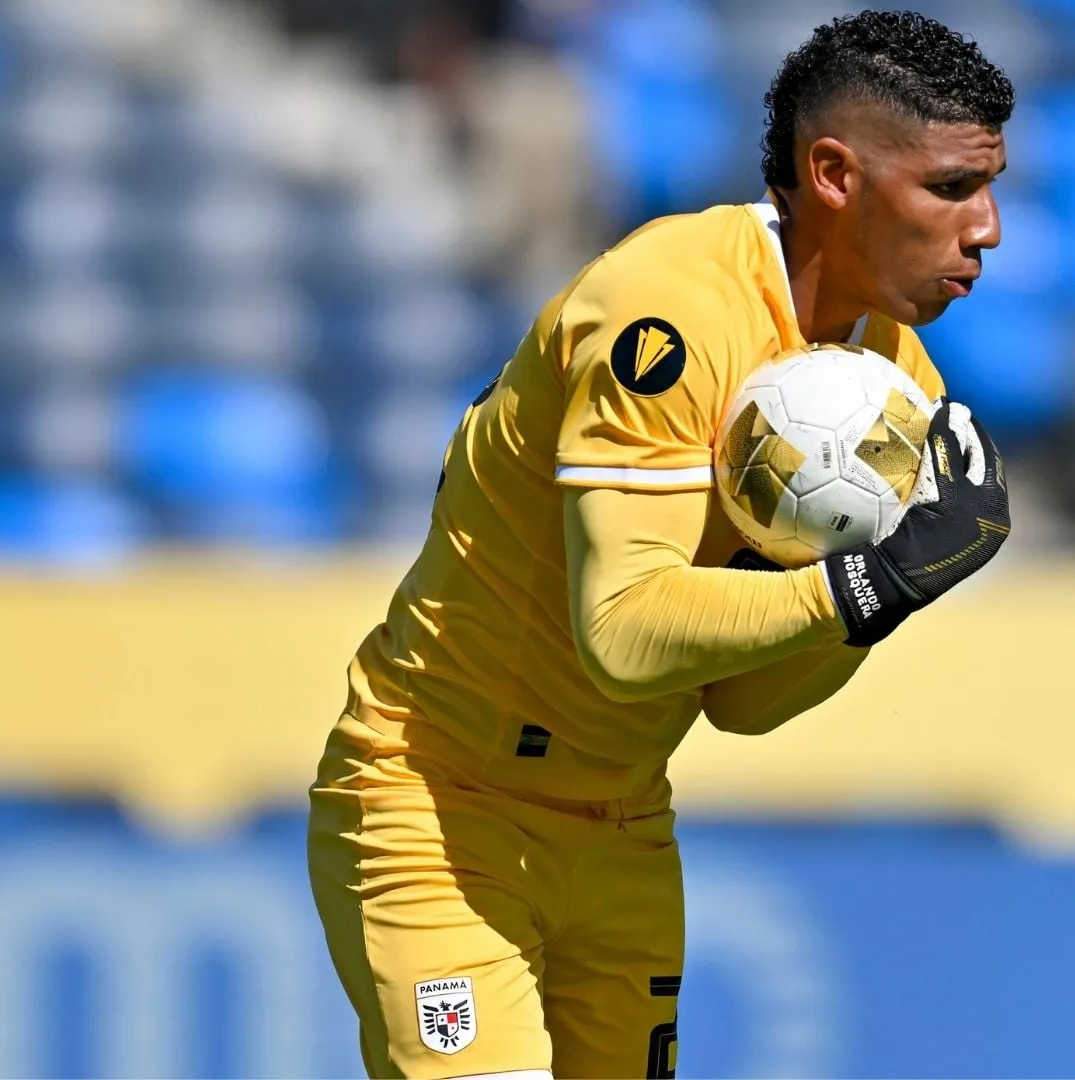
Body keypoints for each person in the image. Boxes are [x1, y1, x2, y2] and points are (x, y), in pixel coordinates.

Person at [308, 11, 1014, 1078]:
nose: (991, 228)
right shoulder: (670, 308)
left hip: (623, 827)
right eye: (954, 188)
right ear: (833, 174)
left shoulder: (896, 383)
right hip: (441, 805)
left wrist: (888, 598)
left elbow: (745, 702)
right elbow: (625, 632)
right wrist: (878, 578)